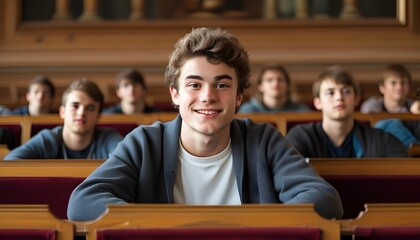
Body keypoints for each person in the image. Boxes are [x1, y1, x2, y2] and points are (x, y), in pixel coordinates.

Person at [67, 27, 343, 221]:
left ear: (238, 97)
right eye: (194, 84)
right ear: (175, 94)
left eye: (221, 84)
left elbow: (324, 199)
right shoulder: (144, 142)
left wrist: (250, 226)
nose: (208, 96)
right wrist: (165, 224)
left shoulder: (264, 140)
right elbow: (83, 202)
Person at [286, 65, 409, 158]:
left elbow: (405, 172)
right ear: (318, 103)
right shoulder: (301, 136)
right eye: (330, 92)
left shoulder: (381, 139)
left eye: (346, 91)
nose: (339, 97)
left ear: (356, 99)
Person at [4, 79, 123, 160]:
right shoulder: (48, 139)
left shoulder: (108, 138)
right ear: (62, 112)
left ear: (98, 116)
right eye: (75, 106)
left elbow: (132, 162)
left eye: (90, 108)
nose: (81, 113)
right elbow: (11, 163)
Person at [238, 64, 311, 113]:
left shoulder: (301, 110)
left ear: (288, 85)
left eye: (280, 80)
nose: (276, 83)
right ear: (260, 86)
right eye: (269, 80)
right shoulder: (247, 111)